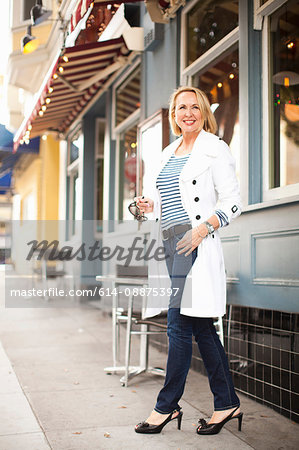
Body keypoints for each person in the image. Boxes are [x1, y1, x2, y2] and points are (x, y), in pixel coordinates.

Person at [133, 86, 243, 436]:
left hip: (193, 244)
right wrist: (145, 206)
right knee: (199, 326)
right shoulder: (167, 153)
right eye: (182, 107)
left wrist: (201, 230)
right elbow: (159, 201)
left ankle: (165, 406)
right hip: (168, 244)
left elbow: (233, 201)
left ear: (203, 112)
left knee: (177, 324)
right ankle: (227, 402)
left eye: (195, 107)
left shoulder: (215, 148)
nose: (188, 113)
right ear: (173, 114)